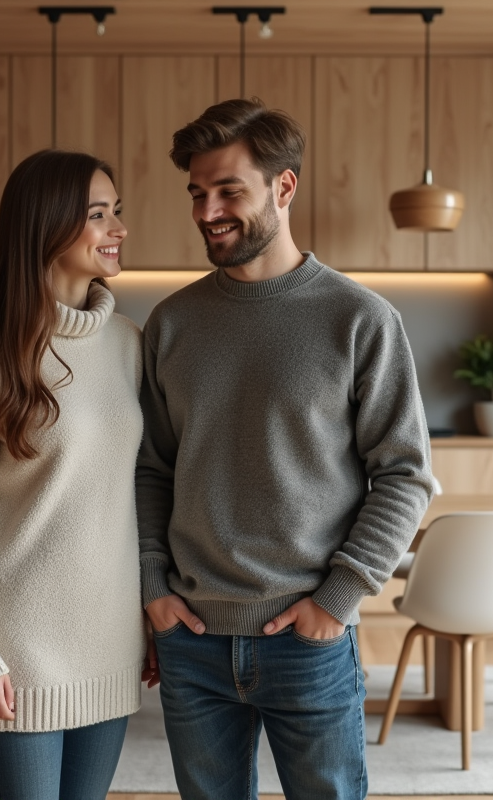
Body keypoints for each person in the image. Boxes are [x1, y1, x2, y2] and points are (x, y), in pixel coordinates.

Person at [138, 98, 435, 800]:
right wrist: (151, 587)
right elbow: (152, 470)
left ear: (284, 187)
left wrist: (337, 600)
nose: (207, 210)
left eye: (229, 190)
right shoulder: (171, 323)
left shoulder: (360, 319)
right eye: (196, 193)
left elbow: (405, 477)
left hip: (309, 638)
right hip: (190, 636)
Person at [0, 149, 148, 800]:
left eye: (118, 212)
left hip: (108, 645)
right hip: (16, 658)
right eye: (99, 215)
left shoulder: (130, 344)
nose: (119, 229)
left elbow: (132, 495)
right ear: (46, 227)